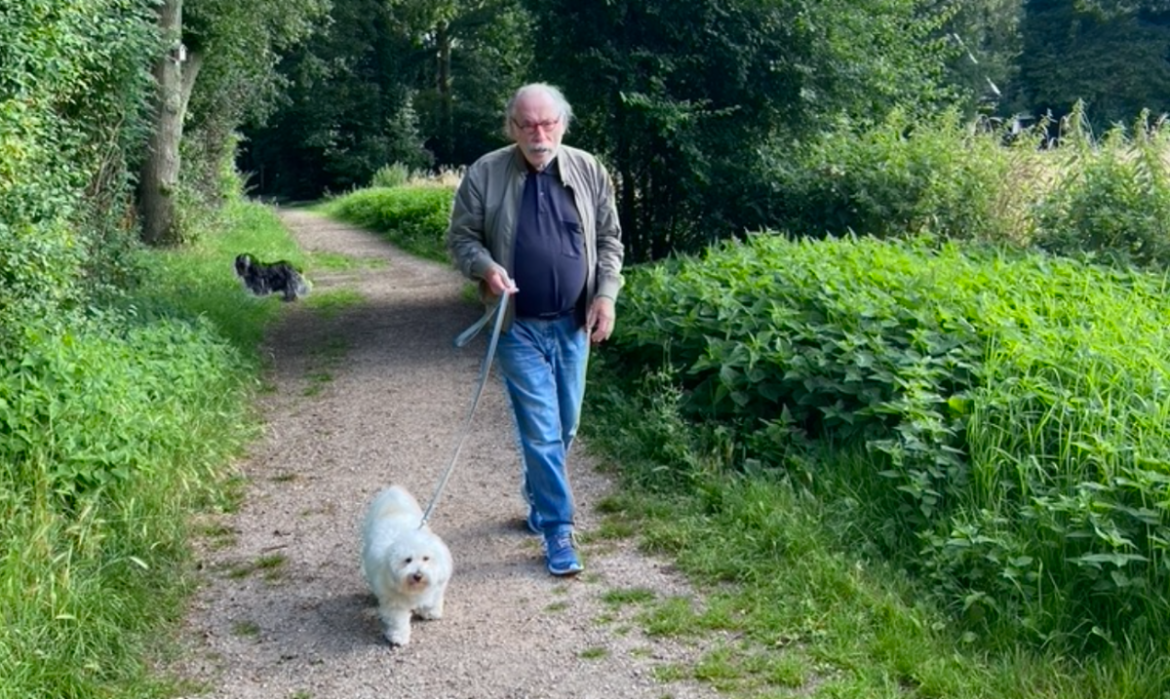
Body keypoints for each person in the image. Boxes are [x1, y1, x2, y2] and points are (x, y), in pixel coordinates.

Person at [446, 83, 624, 576]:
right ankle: (557, 529)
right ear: (512, 127)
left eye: (547, 124)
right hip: (516, 326)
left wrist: (605, 296)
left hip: (573, 324)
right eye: (526, 124)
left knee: (565, 427)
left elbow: (610, 240)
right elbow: (461, 238)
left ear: (562, 124)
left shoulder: (589, 170)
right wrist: (484, 267)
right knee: (542, 433)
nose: (538, 134)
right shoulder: (485, 172)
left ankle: (538, 493)